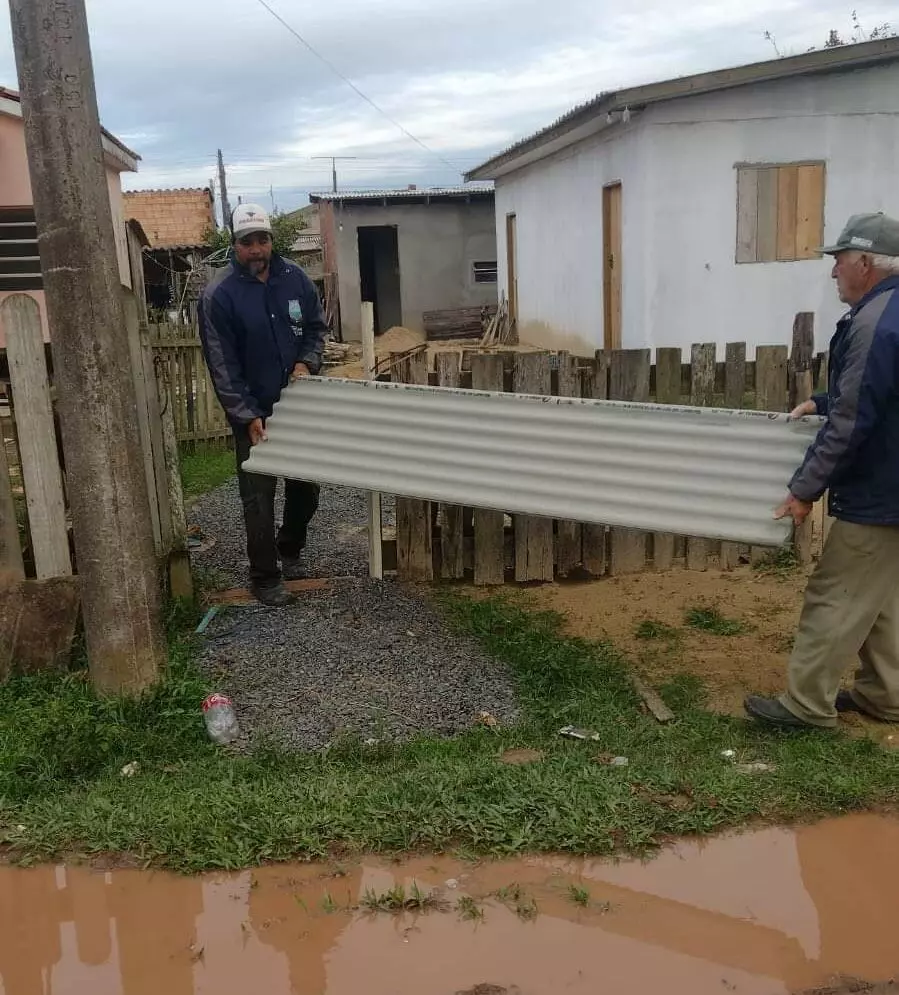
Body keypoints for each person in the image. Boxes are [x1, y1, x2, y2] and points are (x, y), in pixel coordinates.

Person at [745, 212, 899, 729]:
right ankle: (886, 695)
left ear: (864, 262)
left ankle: (806, 706)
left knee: (836, 592)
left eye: (838, 261)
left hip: (883, 489)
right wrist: (823, 400)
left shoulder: (878, 322)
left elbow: (857, 419)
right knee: (882, 596)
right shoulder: (889, 312)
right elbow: (879, 396)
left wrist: (805, 488)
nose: (833, 272)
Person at [198, 204, 328, 607]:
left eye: (263, 240)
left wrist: (308, 361)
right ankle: (265, 576)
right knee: (258, 497)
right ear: (234, 244)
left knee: (306, 486)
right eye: (247, 242)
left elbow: (315, 329)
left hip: (299, 405)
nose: (257, 249)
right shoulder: (219, 295)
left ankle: (289, 550)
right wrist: (246, 414)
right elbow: (222, 362)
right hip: (253, 410)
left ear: (272, 240)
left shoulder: (296, 279)